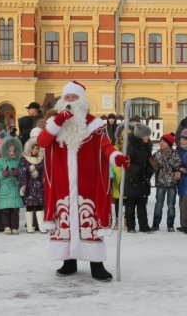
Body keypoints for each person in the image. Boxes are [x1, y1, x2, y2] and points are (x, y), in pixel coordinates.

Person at [37, 81, 128, 282]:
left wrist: (117, 158)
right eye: (67, 97)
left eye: (74, 97)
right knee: (65, 222)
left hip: (88, 183)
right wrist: (57, 121)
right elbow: (42, 142)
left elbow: (106, 147)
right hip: (61, 184)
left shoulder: (95, 126)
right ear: (62, 101)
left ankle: (97, 265)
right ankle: (68, 261)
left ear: (82, 101)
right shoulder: (54, 124)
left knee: (89, 221)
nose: (70, 101)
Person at [124, 122, 154, 234]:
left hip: (143, 180)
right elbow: (127, 162)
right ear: (140, 136)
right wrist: (138, 170)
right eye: (146, 135)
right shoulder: (131, 147)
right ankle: (131, 226)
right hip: (132, 179)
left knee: (142, 204)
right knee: (130, 205)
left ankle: (144, 226)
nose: (148, 137)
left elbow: (148, 161)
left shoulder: (147, 146)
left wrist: (149, 171)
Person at [0, 137, 24, 235]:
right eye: (9, 151)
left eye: (13, 151)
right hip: (5, 189)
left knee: (15, 210)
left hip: (15, 188)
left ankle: (14, 227)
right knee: (5, 210)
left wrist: (18, 172)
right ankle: (6, 226)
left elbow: (23, 171)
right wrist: (3, 174)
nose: (11, 153)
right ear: (5, 151)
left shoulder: (18, 160)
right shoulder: (0, 161)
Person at [151, 133, 181, 232]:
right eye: (161, 141)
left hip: (172, 183)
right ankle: (155, 224)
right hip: (160, 183)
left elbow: (178, 166)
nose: (161, 143)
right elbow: (154, 170)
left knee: (171, 205)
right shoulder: (157, 154)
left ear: (169, 143)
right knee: (159, 204)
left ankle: (170, 224)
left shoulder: (175, 153)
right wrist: (154, 165)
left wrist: (170, 159)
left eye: (164, 142)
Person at [20, 136, 46, 234]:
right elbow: (23, 174)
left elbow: (43, 172)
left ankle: (41, 226)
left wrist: (42, 179)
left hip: (39, 187)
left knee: (39, 206)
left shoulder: (41, 160)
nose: (35, 150)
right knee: (29, 206)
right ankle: (29, 226)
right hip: (29, 187)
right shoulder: (25, 160)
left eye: (37, 148)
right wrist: (23, 185)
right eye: (33, 148)